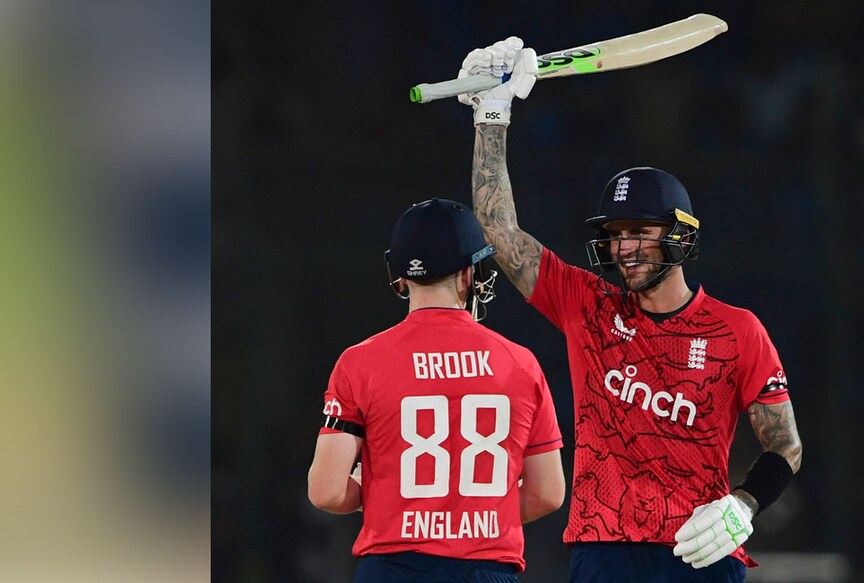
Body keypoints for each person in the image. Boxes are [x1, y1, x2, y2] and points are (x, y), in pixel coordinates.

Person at [456, 38, 804, 582]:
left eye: (641, 233)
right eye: (616, 236)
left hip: (700, 550)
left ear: (681, 237)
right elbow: (498, 234)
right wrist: (492, 117)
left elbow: (785, 446)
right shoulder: (587, 305)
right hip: (604, 550)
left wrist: (743, 506)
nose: (624, 248)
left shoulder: (738, 331)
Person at [307, 198, 566, 583]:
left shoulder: (359, 362)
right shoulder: (519, 362)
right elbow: (548, 493)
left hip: (393, 569)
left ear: (400, 278)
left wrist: (389, 503)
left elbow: (326, 491)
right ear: (467, 275)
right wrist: (476, 515)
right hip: (486, 568)